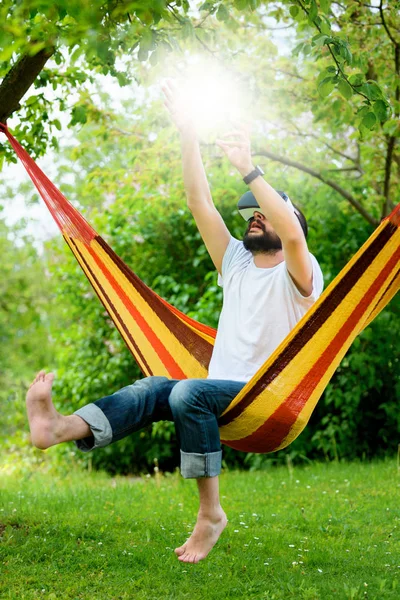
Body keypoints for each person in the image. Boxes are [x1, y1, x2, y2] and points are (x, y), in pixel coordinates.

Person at [26, 80, 324, 564]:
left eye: (264, 215)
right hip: (223, 394)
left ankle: (211, 515)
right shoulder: (237, 265)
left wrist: (248, 168)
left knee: (187, 392)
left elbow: (289, 229)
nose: (254, 219)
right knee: (153, 388)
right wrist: (188, 133)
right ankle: (59, 428)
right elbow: (199, 202)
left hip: (271, 400)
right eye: (251, 215)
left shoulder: (301, 273)